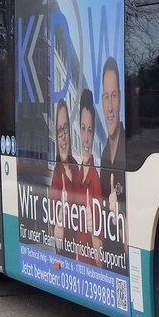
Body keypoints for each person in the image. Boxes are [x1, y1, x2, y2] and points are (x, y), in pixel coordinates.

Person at [73, 88, 105, 267]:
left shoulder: (95, 180)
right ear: (78, 126)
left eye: (90, 131)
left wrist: (94, 234)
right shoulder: (75, 174)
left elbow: (100, 260)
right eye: (83, 129)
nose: (85, 139)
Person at [99, 56, 125, 256]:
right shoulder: (103, 156)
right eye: (106, 96)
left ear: (121, 98)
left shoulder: (133, 151)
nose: (110, 107)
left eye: (114, 96)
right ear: (101, 101)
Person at [48, 99, 77, 258]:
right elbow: (57, 241)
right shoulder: (57, 177)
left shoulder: (77, 168)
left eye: (65, 129)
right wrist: (61, 213)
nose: (63, 137)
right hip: (67, 254)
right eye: (59, 132)